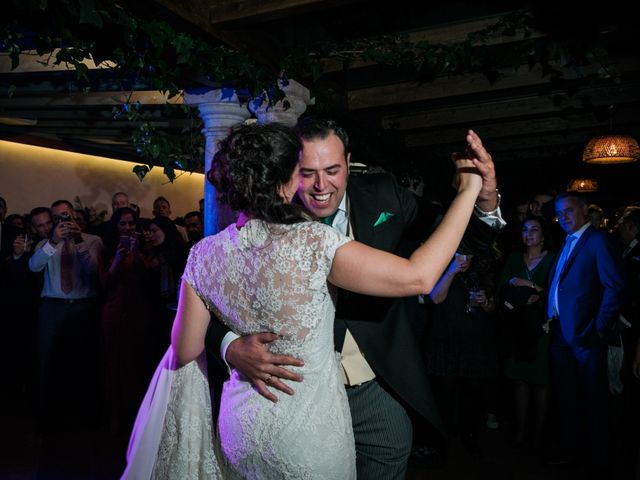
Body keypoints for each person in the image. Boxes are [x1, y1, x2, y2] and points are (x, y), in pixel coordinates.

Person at [124, 122, 488, 478]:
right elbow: (420, 277)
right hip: (308, 433)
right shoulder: (314, 242)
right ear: (287, 182)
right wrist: (469, 189)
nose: (315, 184)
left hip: (242, 424)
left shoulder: (203, 253)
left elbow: (183, 350)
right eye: (303, 172)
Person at [546, 192, 624, 470]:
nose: (563, 217)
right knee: (568, 399)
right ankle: (573, 454)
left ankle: (599, 461)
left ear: (583, 211)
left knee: (593, 401)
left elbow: (614, 287)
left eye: (568, 211)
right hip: (559, 334)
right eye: (559, 213)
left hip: (586, 336)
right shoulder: (565, 242)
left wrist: (598, 329)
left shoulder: (598, 240)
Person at [28, 200, 103, 431]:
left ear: (73, 214)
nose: (63, 220)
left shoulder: (92, 240)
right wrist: (53, 241)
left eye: (66, 215)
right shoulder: (45, 243)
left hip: (83, 307)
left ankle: (84, 418)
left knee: (84, 362)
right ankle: (48, 419)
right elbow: (33, 266)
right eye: (57, 217)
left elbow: (93, 270)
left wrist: (78, 239)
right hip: (53, 307)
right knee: (48, 361)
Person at [498, 216, 555, 449]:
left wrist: (527, 285)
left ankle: (539, 436)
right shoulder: (514, 258)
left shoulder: (551, 259)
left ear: (543, 235)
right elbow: (502, 288)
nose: (529, 234)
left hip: (541, 329)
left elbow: (552, 292)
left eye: (534, 230)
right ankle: (521, 433)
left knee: (541, 382)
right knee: (519, 380)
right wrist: (515, 285)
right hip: (516, 327)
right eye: (525, 229)